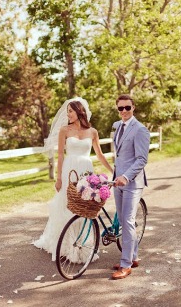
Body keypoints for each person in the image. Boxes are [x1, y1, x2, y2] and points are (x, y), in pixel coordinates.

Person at [33, 98, 113, 262]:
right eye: (67, 111)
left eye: (70, 111)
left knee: (84, 206)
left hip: (86, 170)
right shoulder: (65, 130)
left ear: (79, 111)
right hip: (70, 170)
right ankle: (64, 244)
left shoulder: (93, 132)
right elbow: (61, 155)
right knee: (67, 205)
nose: (67, 114)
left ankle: (83, 243)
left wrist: (113, 170)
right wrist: (59, 177)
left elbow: (99, 154)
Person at [110, 94, 150, 280]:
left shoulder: (140, 129)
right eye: (121, 108)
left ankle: (125, 265)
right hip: (116, 181)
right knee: (126, 221)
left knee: (126, 221)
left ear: (133, 108)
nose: (124, 111)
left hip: (132, 182)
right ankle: (132, 256)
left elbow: (142, 159)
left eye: (127, 107)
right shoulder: (118, 126)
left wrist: (126, 176)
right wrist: (117, 176)